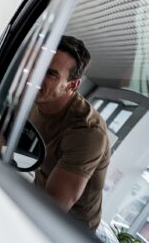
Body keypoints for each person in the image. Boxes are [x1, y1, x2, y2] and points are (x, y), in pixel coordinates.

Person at [29, 35, 110, 231]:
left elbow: (51, 207)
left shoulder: (87, 132)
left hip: (71, 230)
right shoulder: (32, 97)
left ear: (72, 85)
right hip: (37, 194)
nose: (36, 76)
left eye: (50, 73)